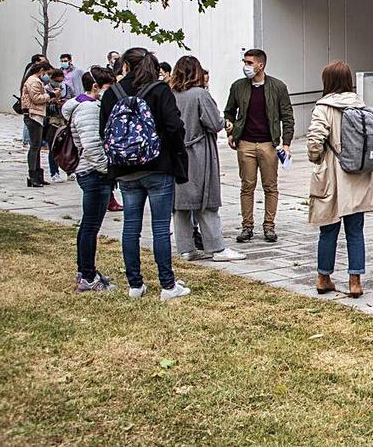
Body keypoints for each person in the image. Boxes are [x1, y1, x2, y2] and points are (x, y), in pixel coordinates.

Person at [99, 47, 191, 300]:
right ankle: (168, 285)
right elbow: (174, 126)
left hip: (126, 170)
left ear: (125, 66)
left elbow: (103, 132)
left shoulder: (111, 95)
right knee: (161, 228)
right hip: (158, 166)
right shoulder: (160, 90)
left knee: (131, 227)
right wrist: (176, 155)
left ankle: (135, 284)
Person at [306, 61, 373, 298]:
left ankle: (323, 277)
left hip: (332, 175)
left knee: (328, 229)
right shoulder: (362, 105)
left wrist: (317, 158)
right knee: (355, 231)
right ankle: (355, 282)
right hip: (358, 176)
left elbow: (315, 141)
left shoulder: (323, 108)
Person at [170, 56, 246, 263]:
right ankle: (216, 247)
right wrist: (226, 124)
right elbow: (214, 123)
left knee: (181, 204)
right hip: (199, 152)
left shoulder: (170, 94)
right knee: (207, 201)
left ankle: (186, 248)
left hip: (175, 153)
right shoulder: (200, 95)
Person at [223, 48, 294, 243]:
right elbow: (229, 112)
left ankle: (269, 226)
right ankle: (247, 227)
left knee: (270, 186)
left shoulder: (278, 87)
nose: (245, 66)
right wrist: (230, 131)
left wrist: (286, 144)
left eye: (249, 63)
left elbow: (288, 117)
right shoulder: (238, 87)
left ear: (260, 65)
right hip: (245, 143)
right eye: (244, 62)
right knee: (247, 186)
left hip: (269, 144)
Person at [62, 66, 117, 292]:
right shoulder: (88, 109)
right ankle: (87, 275)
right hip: (93, 173)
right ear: (95, 87)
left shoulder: (84, 106)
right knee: (90, 226)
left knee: (88, 225)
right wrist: (107, 169)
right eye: (108, 89)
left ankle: (85, 270)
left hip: (91, 172)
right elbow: (93, 146)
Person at [20, 61, 57, 187]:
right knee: (35, 146)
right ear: (41, 70)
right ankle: (33, 175)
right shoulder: (34, 81)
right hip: (33, 115)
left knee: (37, 146)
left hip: (37, 114)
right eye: (46, 73)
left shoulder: (34, 80)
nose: (46, 75)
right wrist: (50, 95)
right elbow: (36, 98)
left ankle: (37, 174)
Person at [44, 68, 69, 182]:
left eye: (60, 80)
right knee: (53, 147)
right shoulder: (46, 89)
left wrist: (65, 102)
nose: (58, 83)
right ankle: (54, 172)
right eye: (56, 81)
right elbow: (43, 104)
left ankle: (70, 170)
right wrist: (53, 101)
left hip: (64, 120)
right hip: (52, 121)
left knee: (66, 146)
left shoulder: (67, 88)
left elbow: (73, 99)